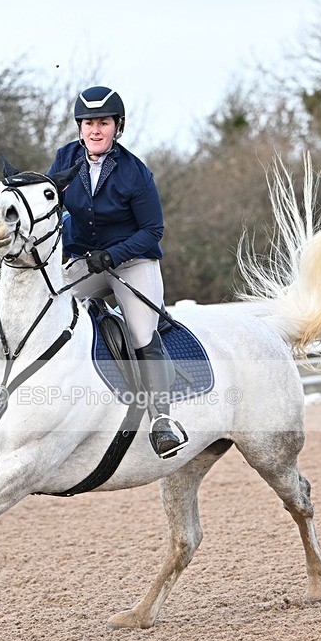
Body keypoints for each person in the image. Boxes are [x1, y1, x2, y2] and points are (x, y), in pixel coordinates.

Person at [47, 85, 187, 458]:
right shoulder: (64, 160)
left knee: (142, 332)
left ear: (117, 127)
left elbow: (152, 231)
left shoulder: (135, 173)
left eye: (103, 123)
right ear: (80, 127)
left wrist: (112, 255)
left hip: (131, 263)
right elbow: (47, 207)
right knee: (51, 312)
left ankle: (163, 421)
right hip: (85, 262)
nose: (95, 130)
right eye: (89, 122)